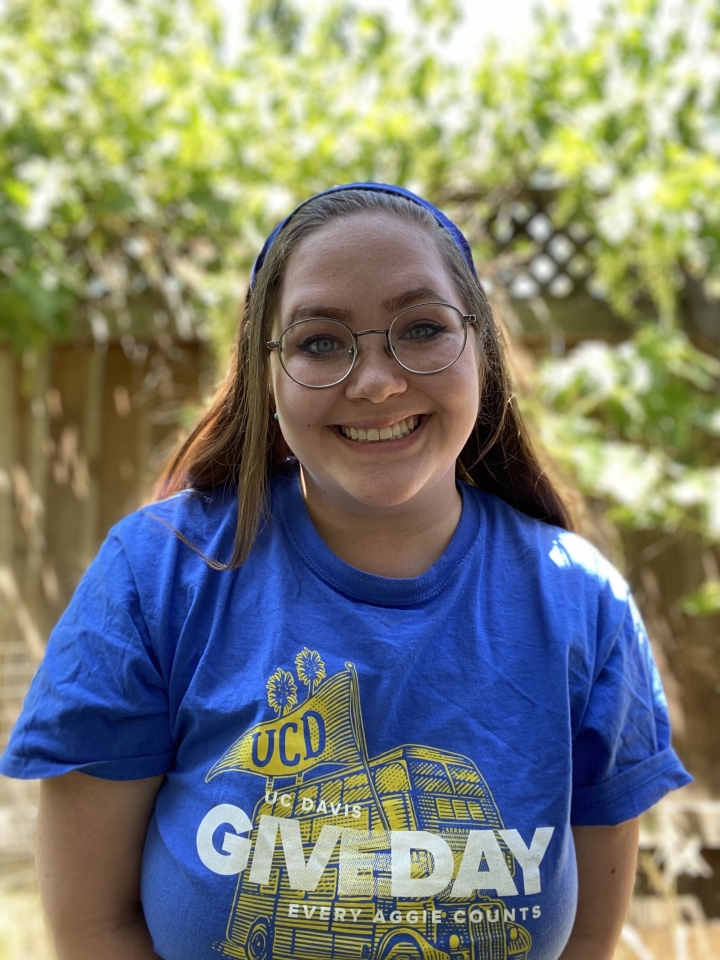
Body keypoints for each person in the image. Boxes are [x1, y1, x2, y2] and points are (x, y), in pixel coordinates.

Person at [1, 183, 690, 960]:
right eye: (321, 342)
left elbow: (585, 943)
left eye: (422, 328)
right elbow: (94, 930)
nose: (377, 382)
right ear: (268, 371)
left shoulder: (583, 604)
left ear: (480, 348)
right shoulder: (154, 580)